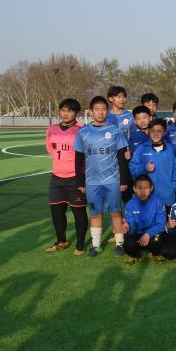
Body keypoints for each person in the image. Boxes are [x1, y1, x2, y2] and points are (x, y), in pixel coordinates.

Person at [75, 96, 131, 258]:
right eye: (97, 109)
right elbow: (79, 159)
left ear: (107, 111)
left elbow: (122, 157)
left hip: (112, 180)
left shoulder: (114, 131)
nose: (100, 112)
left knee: (115, 212)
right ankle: (96, 246)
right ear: (91, 112)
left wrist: (124, 180)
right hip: (92, 182)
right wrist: (80, 181)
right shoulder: (83, 132)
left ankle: (120, 244)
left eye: (103, 109)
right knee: (95, 214)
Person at [45, 98, 88, 254]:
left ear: (76, 113)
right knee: (56, 212)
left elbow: (86, 154)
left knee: (78, 212)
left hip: (75, 178)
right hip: (56, 177)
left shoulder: (82, 130)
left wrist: (81, 176)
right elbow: (50, 148)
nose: (65, 113)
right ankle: (61, 241)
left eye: (69, 110)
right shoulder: (51, 129)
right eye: (63, 110)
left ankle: (80, 244)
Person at [129, 118, 176, 213]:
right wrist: (144, 168)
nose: (156, 134)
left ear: (165, 132)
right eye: (153, 131)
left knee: (167, 225)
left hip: (167, 198)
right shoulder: (141, 149)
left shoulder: (171, 150)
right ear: (149, 131)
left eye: (159, 131)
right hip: (147, 198)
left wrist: (172, 188)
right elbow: (132, 169)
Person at [121, 175, 167, 262]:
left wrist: (148, 234)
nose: (143, 191)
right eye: (139, 188)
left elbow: (162, 224)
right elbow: (131, 225)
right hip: (138, 235)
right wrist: (128, 228)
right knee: (129, 244)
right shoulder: (129, 204)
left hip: (153, 235)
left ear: (151, 188)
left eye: (146, 188)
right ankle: (136, 255)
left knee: (158, 241)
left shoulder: (158, 202)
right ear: (134, 189)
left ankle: (153, 252)